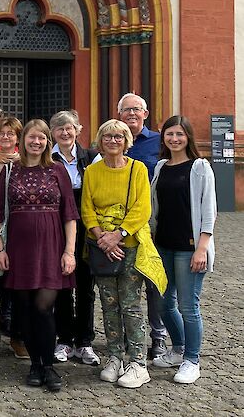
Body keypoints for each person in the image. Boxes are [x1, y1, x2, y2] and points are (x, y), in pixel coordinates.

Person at [0, 119, 78, 392]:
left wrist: (69, 252)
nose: (36, 142)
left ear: (47, 141)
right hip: (19, 248)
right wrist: (0, 248)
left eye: (41, 138)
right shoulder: (10, 170)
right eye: (31, 138)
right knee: (25, 309)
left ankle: (48, 365)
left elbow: (70, 215)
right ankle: (34, 365)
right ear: (23, 140)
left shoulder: (57, 170)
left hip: (52, 247)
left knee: (44, 308)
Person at [81, 119, 166, 389]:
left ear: (127, 141)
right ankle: (115, 357)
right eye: (108, 137)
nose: (113, 141)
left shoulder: (138, 169)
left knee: (130, 305)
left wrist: (118, 235)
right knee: (109, 304)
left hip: (129, 247)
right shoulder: (93, 172)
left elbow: (143, 208)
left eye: (119, 137)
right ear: (100, 140)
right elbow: (86, 209)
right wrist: (102, 238)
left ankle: (138, 362)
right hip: (101, 248)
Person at [150, 115, 216, 384]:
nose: (174, 139)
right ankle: (177, 349)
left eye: (179, 134)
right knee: (164, 305)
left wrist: (202, 248)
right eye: (170, 134)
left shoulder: (200, 167)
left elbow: (209, 211)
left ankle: (192, 359)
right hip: (163, 245)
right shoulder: (160, 167)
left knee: (189, 307)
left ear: (188, 136)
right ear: (163, 137)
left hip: (189, 248)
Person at [118, 92, 168, 358]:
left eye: (137, 109)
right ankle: (129, 334)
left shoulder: (160, 142)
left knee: (152, 280)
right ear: (119, 115)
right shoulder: (114, 140)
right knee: (126, 281)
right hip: (121, 224)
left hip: (152, 223)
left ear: (145, 114)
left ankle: (158, 336)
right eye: (127, 110)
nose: (132, 114)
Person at [50, 110, 101, 366]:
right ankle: (64, 339)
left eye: (69, 127)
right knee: (61, 285)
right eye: (59, 128)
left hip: (86, 226)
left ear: (78, 130)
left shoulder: (91, 158)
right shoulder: (48, 158)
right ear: (53, 133)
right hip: (56, 225)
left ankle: (85, 342)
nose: (65, 132)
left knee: (85, 286)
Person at [0, 116, 27, 360]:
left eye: (11, 134)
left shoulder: (26, 163)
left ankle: (17, 337)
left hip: (20, 235)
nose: (7, 137)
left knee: (18, 289)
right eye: (2, 133)